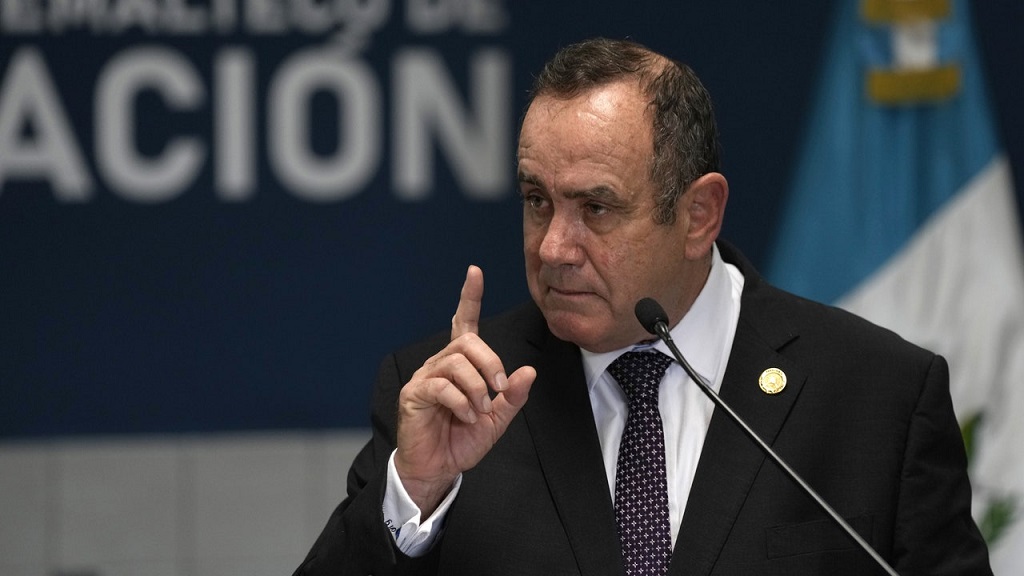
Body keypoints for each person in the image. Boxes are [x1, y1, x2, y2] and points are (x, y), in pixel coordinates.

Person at [293, 37, 992, 576]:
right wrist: (414, 492)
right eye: (537, 200)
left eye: (596, 208)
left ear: (699, 215)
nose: (553, 247)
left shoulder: (879, 398)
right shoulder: (452, 398)